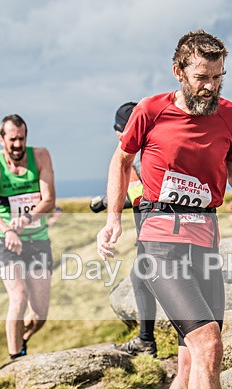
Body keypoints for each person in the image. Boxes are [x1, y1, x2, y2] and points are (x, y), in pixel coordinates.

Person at [96, 30, 232, 389]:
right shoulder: (150, 110)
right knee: (209, 344)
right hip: (160, 245)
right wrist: (114, 219)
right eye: (202, 77)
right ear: (178, 72)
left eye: (218, 77)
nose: (210, 86)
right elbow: (121, 160)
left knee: (190, 360)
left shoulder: (231, 115)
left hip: (204, 244)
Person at [0, 114, 56, 359]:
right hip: (6, 240)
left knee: (40, 314)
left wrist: (26, 220)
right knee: (18, 296)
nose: (17, 145)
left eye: (21, 139)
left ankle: (21, 337)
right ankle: (15, 360)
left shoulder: (41, 156)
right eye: (12, 139)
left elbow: (49, 200)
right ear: (1, 139)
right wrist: (8, 230)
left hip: (37, 238)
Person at [96, 102, 158, 357]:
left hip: (156, 231)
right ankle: (148, 340)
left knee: (147, 280)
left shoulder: (140, 155)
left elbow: (141, 193)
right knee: (141, 278)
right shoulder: (148, 149)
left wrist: (105, 202)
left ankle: (149, 341)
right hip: (156, 231)